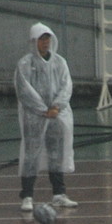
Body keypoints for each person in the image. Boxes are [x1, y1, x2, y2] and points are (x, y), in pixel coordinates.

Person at [14, 22, 78, 213]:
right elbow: (24, 90)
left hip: (57, 116)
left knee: (56, 154)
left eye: (47, 38)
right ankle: (27, 195)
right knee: (31, 154)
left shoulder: (60, 62)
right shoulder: (25, 64)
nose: (45, 42)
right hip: (34, 117)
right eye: (41, 39)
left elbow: (66, 86)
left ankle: (59, 194)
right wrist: (43, 109)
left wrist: (56, 106)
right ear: (34, 41)